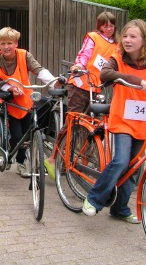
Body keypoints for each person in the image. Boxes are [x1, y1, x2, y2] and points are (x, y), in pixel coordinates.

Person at [82, 19, 146, 224]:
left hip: (145, 119)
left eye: (133, 36)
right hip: (123, 118)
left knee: (134, 166)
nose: (127, 40)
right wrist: (138, 81)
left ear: (144, 39)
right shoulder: (118, 58)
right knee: (121, 160)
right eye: (125, 36)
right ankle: (94, 198)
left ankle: (120, 209)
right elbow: (105, 73)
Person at [44, 11, 118, 179]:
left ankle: (83, 159)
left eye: (111, 25)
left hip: (96, 88)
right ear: (99, 25)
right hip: (80, 85)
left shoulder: (117, 45)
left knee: (92, 126)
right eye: (105, 25)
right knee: (72, 121)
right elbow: (85, 53)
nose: (109, 28)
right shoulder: (93, 37)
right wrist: (78, 65)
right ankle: (53, 158)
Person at [0, 27, 57, 177]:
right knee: (17, 136)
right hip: (11, 102)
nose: (6, 47)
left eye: (10, 43)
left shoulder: (24, 55)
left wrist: (53, 82)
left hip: (26, 101)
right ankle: (9, 151)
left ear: (16, 43)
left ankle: (21, 162)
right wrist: (11, 88)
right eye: (2, 43)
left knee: (28, 134)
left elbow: (38, 70)